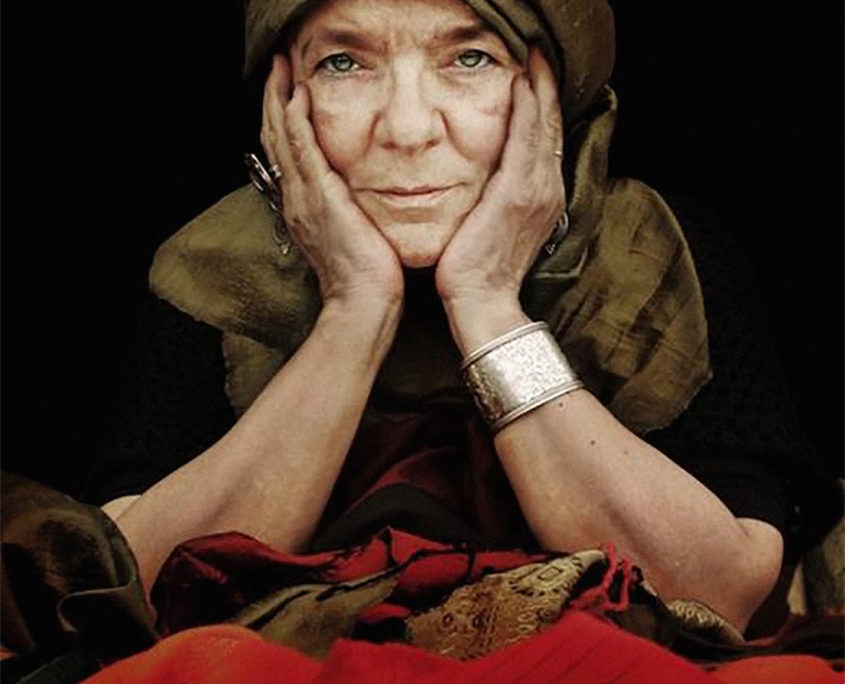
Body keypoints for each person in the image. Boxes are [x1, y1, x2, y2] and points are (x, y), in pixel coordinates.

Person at [91, 0, 790, 637]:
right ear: (285, 100)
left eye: (470, 58)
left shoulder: (651, 260)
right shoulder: (213, 272)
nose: (407, 129)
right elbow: (136, 593)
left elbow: (718, 594)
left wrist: (485, 301)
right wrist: (356, 306)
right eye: (343, 64)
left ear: (552, 88)